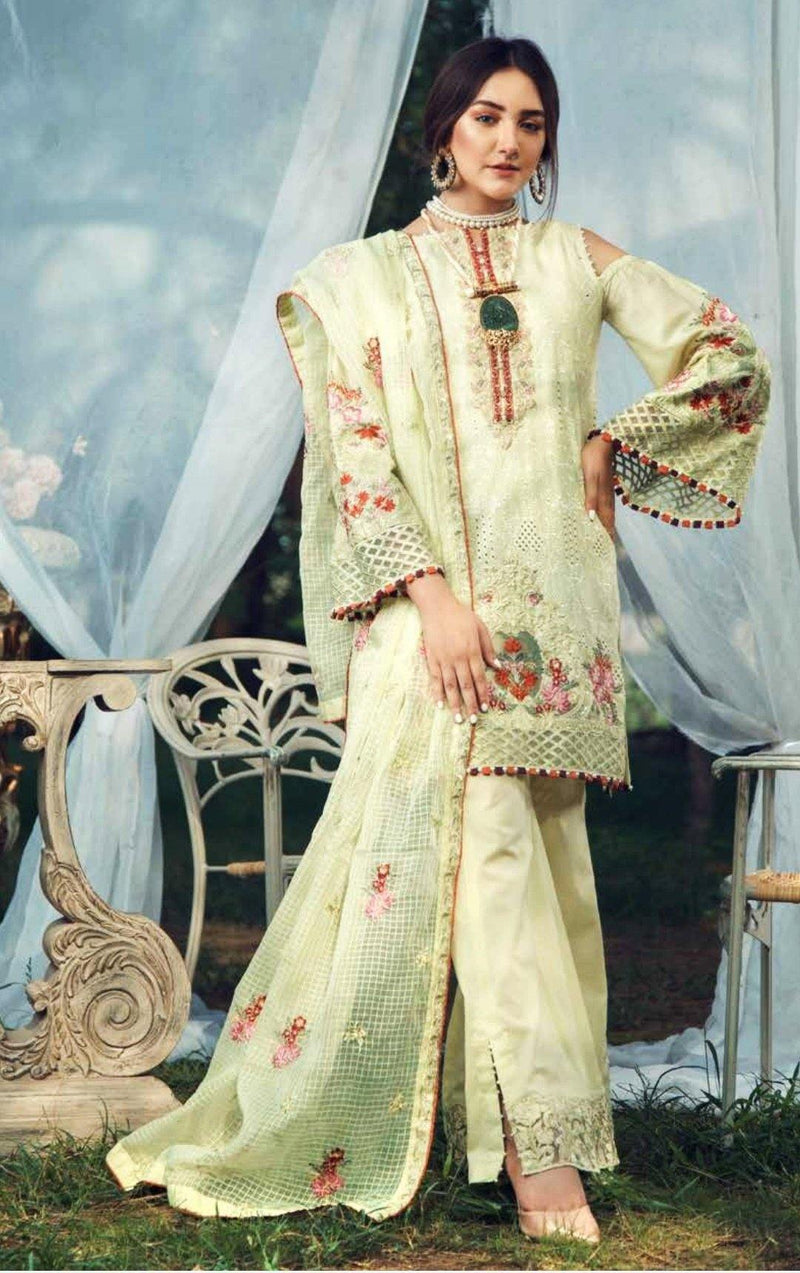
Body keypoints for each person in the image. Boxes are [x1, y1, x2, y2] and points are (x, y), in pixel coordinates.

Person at [104, 36, 771, 1245]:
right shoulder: (358, 279)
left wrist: (610, 445)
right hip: (427, 623)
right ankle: (537, 1160)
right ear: (442, 131)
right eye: (485, 117)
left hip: (552, 621)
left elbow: (728, 355)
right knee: (488, 863)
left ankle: (495, 1127)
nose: (508, 141)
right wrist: (432, 597)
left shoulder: (574, 260)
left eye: (529, 122)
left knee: (534, 872)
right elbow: (356, 456)